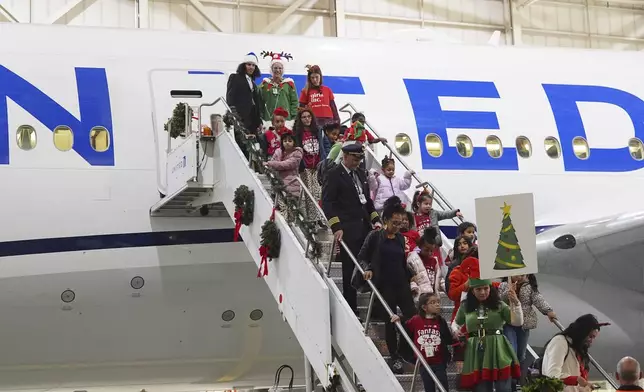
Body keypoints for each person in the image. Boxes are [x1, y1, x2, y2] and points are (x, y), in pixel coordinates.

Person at [322, 142, 381, 315]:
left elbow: (366, 200)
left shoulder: (361, 174)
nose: (358, 162)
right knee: (350, 269)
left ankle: (375, 305)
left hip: (364, 227)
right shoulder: (333, 174)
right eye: (355, 158)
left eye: (359, 158)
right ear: (345, 156)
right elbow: (328, 202)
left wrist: (375, 219)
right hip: (347, 228)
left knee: (372, 264)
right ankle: (351, 308)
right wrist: (336, 226)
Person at [359, 196, 415, 374]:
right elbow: (362, 256)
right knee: (390, 321)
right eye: (395, 222)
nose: (398, 226)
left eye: (401, 223)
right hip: (384, 285)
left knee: (412, 318)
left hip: (401, 284)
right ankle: (394, 357)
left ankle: (405, 350)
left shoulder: (400, 239)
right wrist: (367, 269)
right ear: (385, 220)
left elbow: (401, 261)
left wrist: (410, 275)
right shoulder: (375, 236)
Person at [451, 277, 523, 392]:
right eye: (478, 289)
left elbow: (517, 322)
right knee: (482, 389)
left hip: (498, 348)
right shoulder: (465, 306)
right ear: (472, 290)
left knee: (503, 388)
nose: (483, 292)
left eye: (486, 288)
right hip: (476, 350)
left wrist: (517, 304)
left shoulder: (499, 305)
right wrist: (455, 330)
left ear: (490, 288)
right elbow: (456, 323)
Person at [499, 274, 557, 391]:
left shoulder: (529, 287)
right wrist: (509, 292)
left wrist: (548, 311)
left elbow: (538, 299)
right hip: (509, 323)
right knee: (512, 352)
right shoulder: (504, 285)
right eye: (516, 275)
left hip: (524, 325)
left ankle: (518, 378)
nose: (519, 277)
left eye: (522, 275)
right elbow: (499, 300)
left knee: (521, 354)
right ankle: (511, 382)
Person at [542, 314, 609, 392]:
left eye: (594, 337)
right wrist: (577, 379)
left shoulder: (577, 348)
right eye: (590, 336)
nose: (591, 341)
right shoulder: (560, 342)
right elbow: (552, 375)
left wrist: (585, 386)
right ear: (582, 332)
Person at [402, 292, 454, 392]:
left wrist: (457, 338)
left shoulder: (441, 321)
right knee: (428, 387)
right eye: (433, 302)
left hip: (439, 362)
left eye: (438, 302)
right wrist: (399, 319)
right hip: (423, 362)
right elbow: (405, 327)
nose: (437, 304)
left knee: (443, 386)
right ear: (424, 307)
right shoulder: (416, 320)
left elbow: (448, 338)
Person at [264, 132, 303, 222]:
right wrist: (273, 164)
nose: (287, 143)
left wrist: (271, 164)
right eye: (285, 141)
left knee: (290, 212)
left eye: (290, 140)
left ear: (294, 142)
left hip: (292, 186)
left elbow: (285, 164)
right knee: (281, 210)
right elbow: (275, 163)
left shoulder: (297, 153)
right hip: (279, 185)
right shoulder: (278, 151)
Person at [293, 107, 322, 219]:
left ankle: (319, 217)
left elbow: (323, 146)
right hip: (305, 166)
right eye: (304, 117)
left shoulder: (317, 131)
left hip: (317, 165)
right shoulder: (298, 133)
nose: (307, 119)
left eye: (309, 116)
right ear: (300, 119)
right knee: (309, 193)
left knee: (318, 192)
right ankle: (312, 217)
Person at [226, 52, 264, 137]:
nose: (251, 67)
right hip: (240, 117)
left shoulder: (253, 83)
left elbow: (255, 103)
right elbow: (230, 97)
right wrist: (234, 114)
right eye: (249, 64)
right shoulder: (235, 77)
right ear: (244, 65)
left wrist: (259, 121)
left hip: (252, 119)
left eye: (253, 65)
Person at [259, 52, 298, 122]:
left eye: (280, 68)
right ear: (271, 69)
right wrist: (261, 116)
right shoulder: (264, 84)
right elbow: (260, 101)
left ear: (283, 70)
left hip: (286, 121)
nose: (277, 70)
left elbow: (294, 102)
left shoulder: (288, 84)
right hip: (269, 120)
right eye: (275, 68)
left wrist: (293, 118)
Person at [407, 227, 442, 302]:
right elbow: (411, 277)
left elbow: (438, 278)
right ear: (420, 246)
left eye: (432, 251)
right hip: (419, 295)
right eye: (426, 250)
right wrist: (414, 288)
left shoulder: (434, 261)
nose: (429, 253)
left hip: (432, 295)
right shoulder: (413, 259)